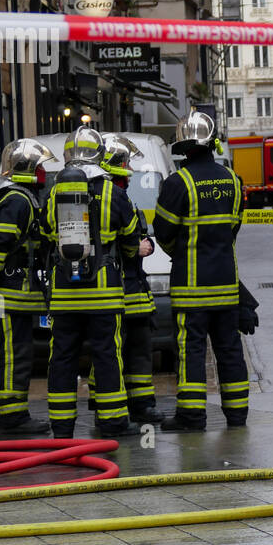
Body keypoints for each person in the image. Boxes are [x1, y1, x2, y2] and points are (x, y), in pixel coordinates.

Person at [153, 111, 259, 430]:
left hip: (191, 290)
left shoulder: (177, 183)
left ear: (183, 147)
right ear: (213, 144)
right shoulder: (233, 181)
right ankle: (237, 415)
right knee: (229, 351)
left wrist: (184, 254)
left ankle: (192, 416)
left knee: (192, 352)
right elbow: (233, 231)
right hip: (227, 288)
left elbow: (163, 233)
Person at [38, 127, 141, 437]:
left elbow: (44, 232)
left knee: (62, 358)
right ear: (99, 154)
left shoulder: (57, 191)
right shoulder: (114, 192)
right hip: (104, 294)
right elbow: (132, 241)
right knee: (107, 355)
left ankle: (62, 426)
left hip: (64, 295)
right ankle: (112, 423)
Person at [0, 138, 56, 434]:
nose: (43, 174)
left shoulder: (22, 197)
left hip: (18, 296)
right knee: (13, 355)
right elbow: (0, 246)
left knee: (18, 354)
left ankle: (15, 413)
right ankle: (12, 418)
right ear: (26, 169)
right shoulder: (17, 200)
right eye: (39, 168)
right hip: (11, 295)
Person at [94, 133, 163, 424]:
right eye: (127, 165)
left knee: (116, 351)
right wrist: (142, 246)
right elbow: (128, 241)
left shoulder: (98, 194)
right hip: (125, 290)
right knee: (131, 352)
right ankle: (134, 408)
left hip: (115, 294)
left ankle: (118, 407)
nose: (132, 172)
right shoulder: (116, 196)